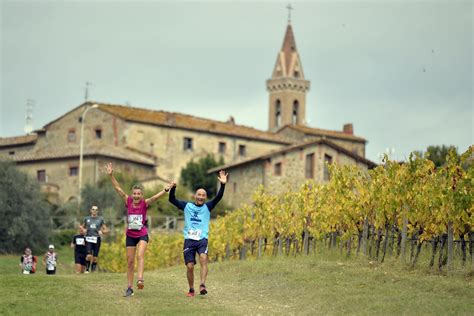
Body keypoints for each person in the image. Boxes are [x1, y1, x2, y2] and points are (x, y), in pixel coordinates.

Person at [106, 162, 172, 297]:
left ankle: (140, 279)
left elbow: (155, 197)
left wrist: (166, 190)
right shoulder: (128, 200)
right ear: (132, 194)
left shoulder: (144, 203)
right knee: (130, 262)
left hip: (142, 234)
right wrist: (111, 175)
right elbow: (118, 188)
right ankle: (129, 288)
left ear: (141, 195)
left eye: (139, 194)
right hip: (130, 235)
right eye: (134, 193)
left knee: (140, 255)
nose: (136, 195)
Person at [169, 170, 227, 297]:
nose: (201, 197)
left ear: (205, 197)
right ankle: (191, 289)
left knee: (203, 258)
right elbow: (172, 199)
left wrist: (222, 185)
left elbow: (218, 197)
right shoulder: (187, 206)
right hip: (189, 240)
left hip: (202, 239)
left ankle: (202, 285)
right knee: (190, 266)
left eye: (203, 195)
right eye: (199, 195)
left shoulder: (208, 207)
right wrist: (173, 188)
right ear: (195, 196)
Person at [80, 205, 109, 273]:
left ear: (97, 211)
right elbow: (81, 227)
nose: (94, 211)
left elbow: (107, 230)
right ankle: (87, 269)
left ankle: (93, 271)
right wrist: (83, 230)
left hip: (97, 239)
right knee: (89, 255)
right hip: (88, 238)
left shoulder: (100, 219)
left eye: (96, 210)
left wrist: (102, 232)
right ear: (91, 210)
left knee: (95, 258)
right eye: (93, 209)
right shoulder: (87, 219)